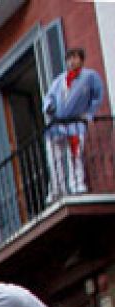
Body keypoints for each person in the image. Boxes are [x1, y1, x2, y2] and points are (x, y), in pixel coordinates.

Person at [42, 47, 105, 199]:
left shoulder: (90, 77)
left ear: (81, 60)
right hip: (58, 124)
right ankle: (58, 188)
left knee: (74, 155)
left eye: (75, 57)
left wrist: (88, 114)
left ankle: (77, 185)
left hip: (75, 122)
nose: (71, 61)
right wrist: (48, 106)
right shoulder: (59, 80)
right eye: (69, 58)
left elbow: (97, 96)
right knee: (53, 155)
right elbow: (49, 97)